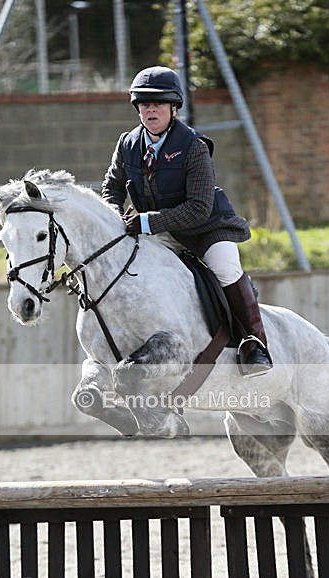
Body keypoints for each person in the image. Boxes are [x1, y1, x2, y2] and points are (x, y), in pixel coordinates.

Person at [101, 65, 272, 376]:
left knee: (225, 267)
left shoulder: (193, 146)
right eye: (144, 103)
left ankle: (254, 342)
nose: (150, 109)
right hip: (158, 230)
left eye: (158, 103)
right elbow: (111, 188)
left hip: (205, 227)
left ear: (173, 107)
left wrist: (147, 222)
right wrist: (113, 217)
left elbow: (198, 208)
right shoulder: (127, 143)